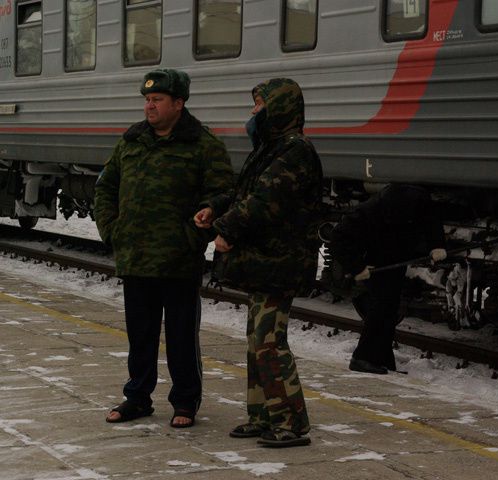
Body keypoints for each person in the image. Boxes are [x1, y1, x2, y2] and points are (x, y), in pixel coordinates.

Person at [94, 69, 234, 428]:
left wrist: (205, 218)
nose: (149, 105)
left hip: (178, 258)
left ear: (178, 103)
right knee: (140, 335)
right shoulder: (132, 140)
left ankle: (185, 401)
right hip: (136, 256)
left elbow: (223, 191)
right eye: (146, 99)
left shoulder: (203, 144)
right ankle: (137, 398)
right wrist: (112, 230)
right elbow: (105, 188)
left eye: (157, 100)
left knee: (181, 337)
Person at [194, 78, 323, 448]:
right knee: (256, 340)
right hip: (266, 261)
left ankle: (292, 423)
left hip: (281, 262)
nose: (252, 114)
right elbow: (243, 194)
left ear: (277, 109)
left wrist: (227, 230)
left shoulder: (295, 152)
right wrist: (216, 208)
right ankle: (263, 415)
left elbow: (264, 202)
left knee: (268, 341)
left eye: (258, 107)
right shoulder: (273, 148)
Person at [329, 184, 447, 374]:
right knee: (381, 307)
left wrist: (437, 246)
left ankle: (383, 359)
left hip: (396, 257)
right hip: (373, 260)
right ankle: (362, 358)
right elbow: (338, 238)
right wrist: (357, 267)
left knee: (389, 308)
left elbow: (431, 221)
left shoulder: (418, 202)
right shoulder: (368, 212)